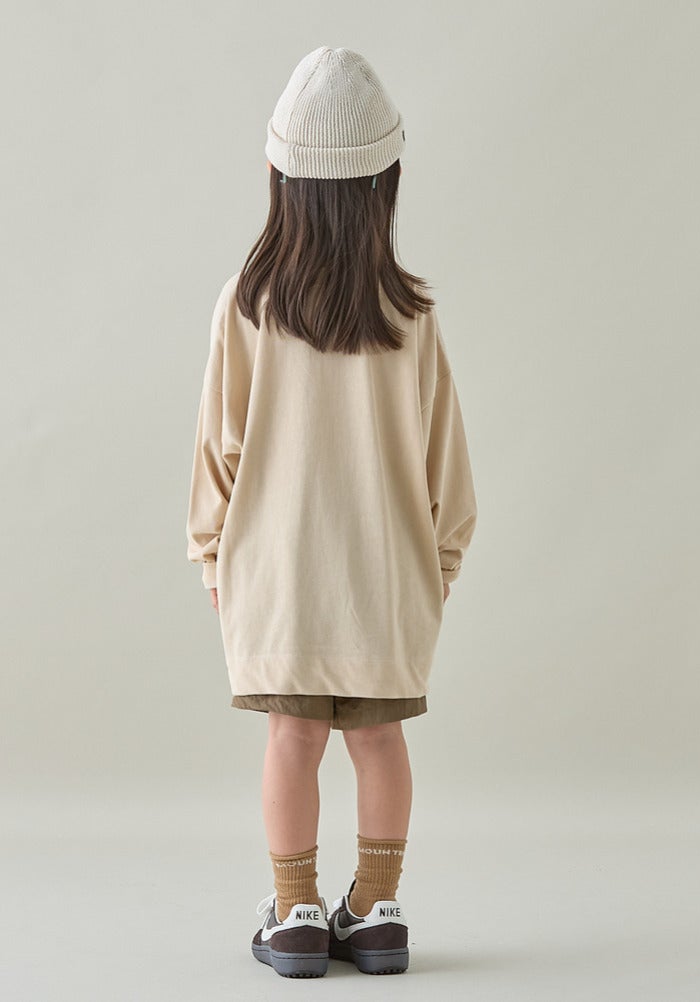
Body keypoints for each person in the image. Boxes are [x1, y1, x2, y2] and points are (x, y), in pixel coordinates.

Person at [185, 45, 478, 979]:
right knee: (380, 739)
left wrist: (213, 557)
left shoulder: (247, 305)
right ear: (388, 185)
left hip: (277, 578)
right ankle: (378, 911)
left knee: (293, 738)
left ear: (278, 178)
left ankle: (296, 912)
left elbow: (219, 445)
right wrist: (439, 565)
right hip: (387, 580)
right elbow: (445, 459)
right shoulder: (412, 314)